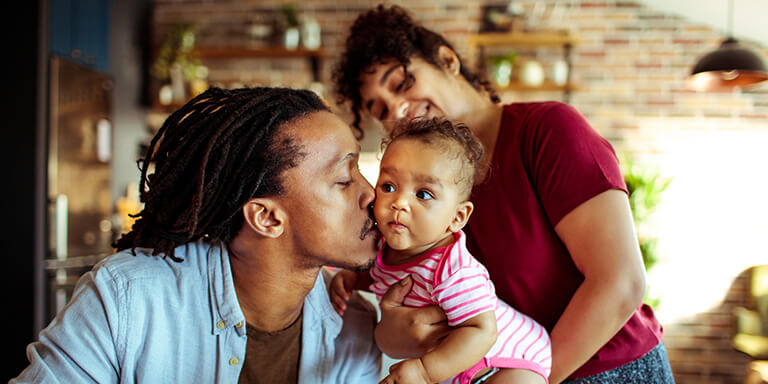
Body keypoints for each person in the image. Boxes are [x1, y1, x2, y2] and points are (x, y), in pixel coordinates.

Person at [332, 5, 675, 384]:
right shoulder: (412, 197)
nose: (396, 109)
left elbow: (621, 282)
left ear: (447, 61)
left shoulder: (548, 132)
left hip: (609, 368)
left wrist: (535, 376)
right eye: (378, 108)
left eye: (401, 84)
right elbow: (411, 316)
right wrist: (396, 332)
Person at [11, 87, 382, 383]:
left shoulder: (356, 324)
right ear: (267, 218)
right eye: (345, 180)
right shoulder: (124, 301)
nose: (372, 194)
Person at [331, 118, 551, 384]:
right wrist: (354, 279)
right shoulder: (382, 246)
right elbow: (383, 274)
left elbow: (483, 330)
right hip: (453, 366)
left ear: (457, 217)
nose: (399, 202)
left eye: (423, 194)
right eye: (389, 187)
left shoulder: (453, 269)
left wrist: (425, 371)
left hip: (508, 360)